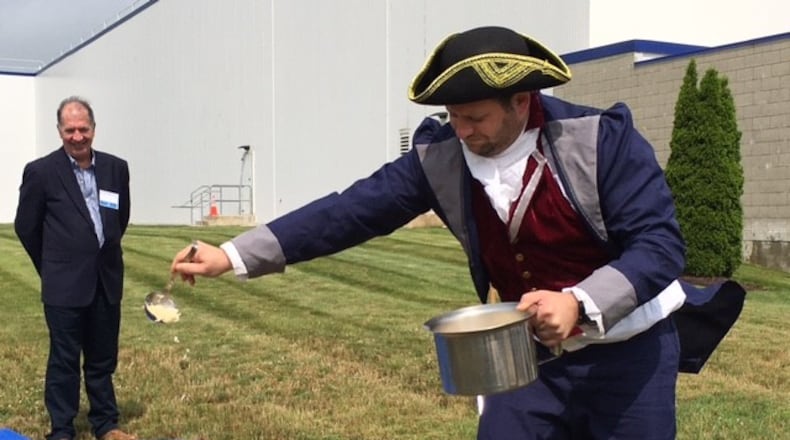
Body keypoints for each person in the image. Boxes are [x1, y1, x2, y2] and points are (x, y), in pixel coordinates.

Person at [170, 27, 744, 439]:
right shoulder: (442, 156)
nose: (462, 130)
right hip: (529, 359)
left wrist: (580, 301)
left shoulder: (602, 140)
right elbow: (347, 212)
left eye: (475, 117)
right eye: (453, 117)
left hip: (631, 350)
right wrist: (231, 255)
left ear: (522, 101)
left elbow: (661, 246)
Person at [15, 97, 136, 440]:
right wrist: (53, 265)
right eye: (70, 130)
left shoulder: (116, 168)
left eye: (84, 129)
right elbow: (27, 227)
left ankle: (106, 424)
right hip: (63, 285)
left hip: (106, 279)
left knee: (102, 359)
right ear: (59, 131)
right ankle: (62, 429)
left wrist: (102, 249)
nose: (78, 136)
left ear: (94, 129)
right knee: (64, 360)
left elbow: (119, 217)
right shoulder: (41, 172)